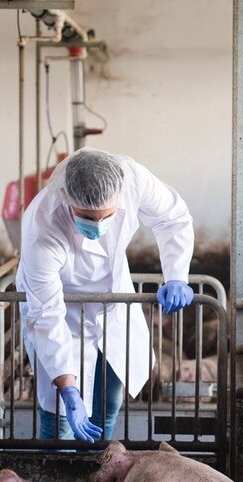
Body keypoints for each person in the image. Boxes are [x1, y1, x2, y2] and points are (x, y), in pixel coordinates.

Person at [14, 148, 195, 443]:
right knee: (59, 415)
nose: (98, 225)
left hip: (114, 304)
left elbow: (173, 218)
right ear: (66, 200)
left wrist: (176, 275)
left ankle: (97, 473)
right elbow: (46, 314)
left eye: (107, 216)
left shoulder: (133, 178)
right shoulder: (42, 227)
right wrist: (68, 388)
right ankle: (56, 477)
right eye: (86, 217)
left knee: (109, 403)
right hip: (63, 308)